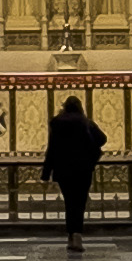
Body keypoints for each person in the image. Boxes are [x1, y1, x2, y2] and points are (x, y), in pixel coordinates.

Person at [45, 89, 107, 251]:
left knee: (69, 202)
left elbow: (52, 148)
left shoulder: (57, 123)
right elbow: (102, 139)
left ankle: (70, 236)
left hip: (64, 169)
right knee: (79, 203)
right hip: (83, 169)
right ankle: (77, 236)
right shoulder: (86, 122)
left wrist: (46, 172)